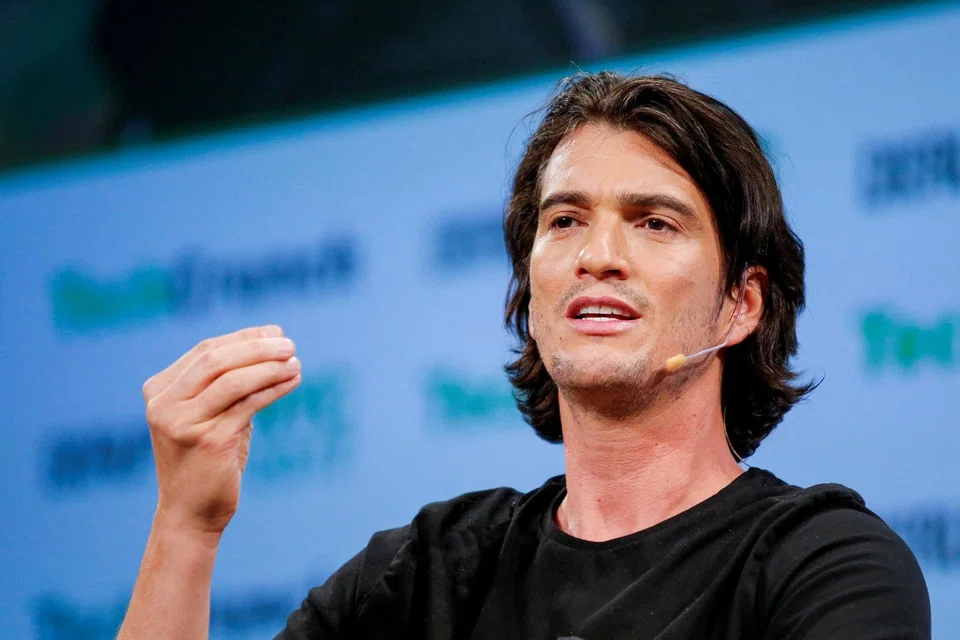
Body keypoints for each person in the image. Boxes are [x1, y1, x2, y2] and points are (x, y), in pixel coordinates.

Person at [117, 72, 930, 639]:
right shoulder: (426, 576)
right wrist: (186, 527)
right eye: (565, 221)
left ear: (741, 304)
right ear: (531, 290)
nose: (597, 256)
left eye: (654, 223)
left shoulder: (824, 565)